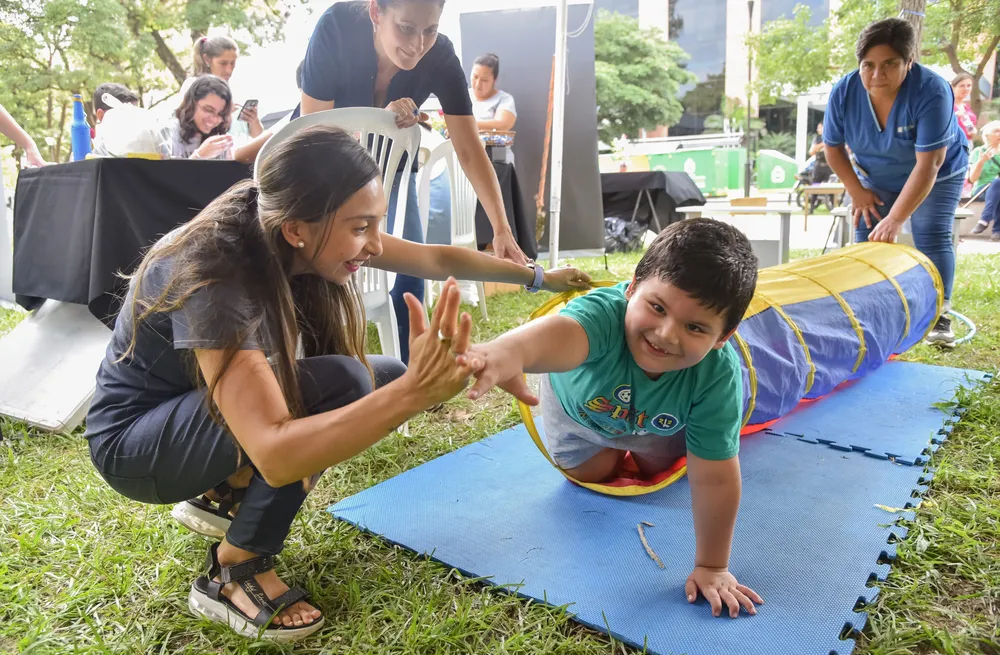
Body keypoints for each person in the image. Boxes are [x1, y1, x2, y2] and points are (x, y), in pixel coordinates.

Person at [83, 125, 590, 641]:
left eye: (378, 224)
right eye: (361, 227)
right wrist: (416, 393)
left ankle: (224, 489)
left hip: (195, 415)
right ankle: (234, 570)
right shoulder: (218, 275)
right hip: (134, 447)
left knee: (379, 376)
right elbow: (278, 453)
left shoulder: (283, 220)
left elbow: (435, 259)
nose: (373, 245)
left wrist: (540, 278)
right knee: (350, 383)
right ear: (298, 228)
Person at [462, 219, 763, 619]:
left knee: (660, 468)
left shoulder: (718, 374)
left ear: (724, 336)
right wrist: (506, 353)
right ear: (633, 286)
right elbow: (557, 335)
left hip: (656, 426)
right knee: (594, 472)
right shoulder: (602, 315)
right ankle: (608, 451)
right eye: (657, 307)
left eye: (695, 327)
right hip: (577, 418)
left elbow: (716, 474)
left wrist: (712, 565)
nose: (666, 334)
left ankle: (643, 452)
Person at [299, 0, 530, 361]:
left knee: (412, 269)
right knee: (319, 269)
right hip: (323, 168)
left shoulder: (440, 55)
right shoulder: (337, 27)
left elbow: (469, 148)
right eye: (406, 28)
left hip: (390, 169)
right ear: (376, 12)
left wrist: (501, 228)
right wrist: (377, 123)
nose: (418, 44)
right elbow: (313, 132)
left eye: (430, 30)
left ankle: (412, 366)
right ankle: (321, 359)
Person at [823, 18, 969, 348]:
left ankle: (939, 316)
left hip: (937, 171)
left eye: (890, 64)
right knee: (866, 233)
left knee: (930, 230)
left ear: (909, 62)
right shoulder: (843, 92)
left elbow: (929, 163)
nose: (877, 75)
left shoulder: (931, 89)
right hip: (875, 174)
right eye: (868, 65)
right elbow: (832, 149)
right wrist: (857, 192)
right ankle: (866, 313)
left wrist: (897, 218)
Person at [183, 35, 264, 141]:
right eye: (223, 63)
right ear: (207, 59)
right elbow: (187, 126)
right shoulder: (193, 86)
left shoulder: (238, 88)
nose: (229, 70)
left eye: (232, 63)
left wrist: (253, 121)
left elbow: (258, 137)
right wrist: (223, 113)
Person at [160, 75, 234, 160]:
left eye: (221, 114)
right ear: (192, 103)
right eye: (208, 110)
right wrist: (199, 156)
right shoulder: (167, 134)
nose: (214, 119)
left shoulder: (220, 140)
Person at [968, 120, 1000, 241]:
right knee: (997, 184)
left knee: (998, 184)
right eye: (996, 131)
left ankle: (985, 221)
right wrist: (981, 162)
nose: (999, 134)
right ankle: (996, 229)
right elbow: (972, 179)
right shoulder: (978, 152)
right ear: (987, 136)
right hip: (982, 188)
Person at [470, 53, 517, 132]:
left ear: (494, 80)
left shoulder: (504, 99)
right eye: (475, 77)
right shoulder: (463, 96)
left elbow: (503, 124)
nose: (478, 84)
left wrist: (467, 125)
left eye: (484, 80)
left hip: (488, 144)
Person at [951, 73, 977, 142]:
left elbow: (969, 126)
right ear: (953, 87)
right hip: (953, 145)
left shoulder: (966, 107)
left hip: (967, 143)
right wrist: (955, 115)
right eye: (962, 86)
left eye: (969, 85)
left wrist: (973, 130)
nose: (966, 89)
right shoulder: (948, 105)